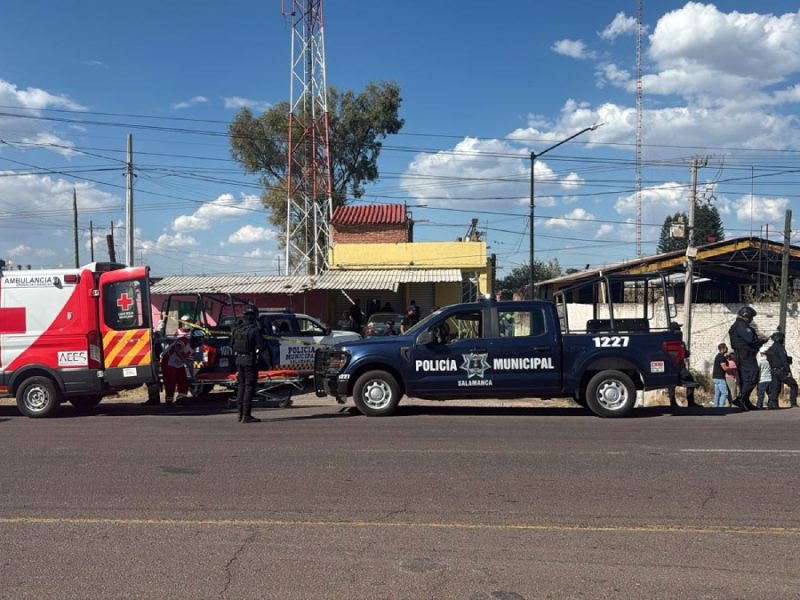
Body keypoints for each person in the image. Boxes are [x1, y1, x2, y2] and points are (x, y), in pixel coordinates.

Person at [728, 306, 768, 410]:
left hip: (745, 354)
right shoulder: (741, 326)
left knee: (746, 378)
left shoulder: (739, 325)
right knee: (752, 376)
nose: (752, 320)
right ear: (746, 316)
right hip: (744, 354)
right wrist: (761, 340)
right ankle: (741, 399)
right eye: (751, 317)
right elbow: (751, 340)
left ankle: (745, 401)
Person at [232, 305, 263, 423]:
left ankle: (240, 414)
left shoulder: (237, 329)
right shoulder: (254, 330)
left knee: (241, 386)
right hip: (249, 361)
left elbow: (232, 344)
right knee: (249, 387)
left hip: (239, 360)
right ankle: (246, 415)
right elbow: (262, 346)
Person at [160, 327, 193, 405]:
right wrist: (185, 361)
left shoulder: (194, 348)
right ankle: (169, 400)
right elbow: (177, 350)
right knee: (171, 381)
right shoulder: (184, 340)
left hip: (179, 364)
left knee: (183, 381)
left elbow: (190, 363)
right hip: (168, 361)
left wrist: (192, 376)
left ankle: (181, 398)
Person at [766, 331, 798, 409]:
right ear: (779, 339)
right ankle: (793, 403)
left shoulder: (770, 349)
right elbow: (784, 360)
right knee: (793, 385)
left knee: (775, 388)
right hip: (782, 371)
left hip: (773, 370)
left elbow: (769, 359)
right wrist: (788, 371)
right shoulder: (780, 347)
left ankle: (773, 404)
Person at [711, 342, 731, 408]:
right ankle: (721, 407)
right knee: (725, 393)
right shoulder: (721, 357)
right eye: (726, 347)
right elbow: (724, 368)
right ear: (722, 349)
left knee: (717, 393)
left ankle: (715, 407)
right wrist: (732, 368)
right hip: (720, 378)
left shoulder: (718, 356)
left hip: (715, 377)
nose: (727, 348)